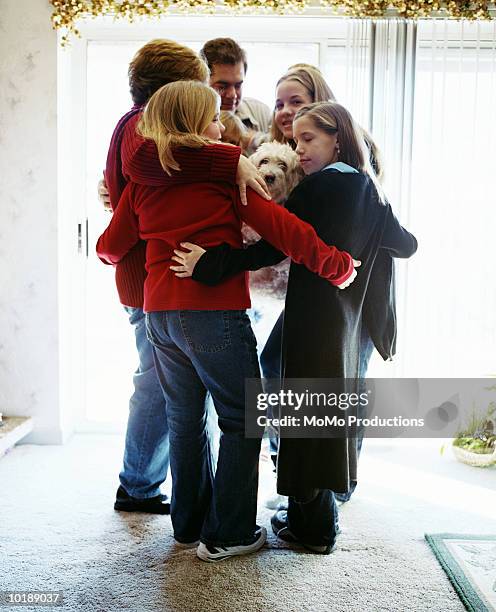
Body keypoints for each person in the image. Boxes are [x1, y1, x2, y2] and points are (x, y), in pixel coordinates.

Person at [96, 81, 359, 561]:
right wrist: (337, 265)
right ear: (198, 127)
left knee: (185, 418)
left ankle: (189, 525)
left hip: (160, 316)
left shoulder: (144, 182)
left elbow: (108, 248)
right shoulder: (222, 176)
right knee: (242, 419)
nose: (222, 126)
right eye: (214, 118)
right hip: (211, 315)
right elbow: (285, 230)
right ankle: (231, 532)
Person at [171, 101, 417, 553]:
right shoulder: (369, 189)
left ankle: (317, 529)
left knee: (302, 418)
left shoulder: (313, 189)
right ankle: (311, 517)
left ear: (337, 139)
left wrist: (211, 263)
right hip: (349, 324)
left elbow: (270, 249)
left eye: (309, 139)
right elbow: (406, 244)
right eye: (295, 140)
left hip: (311, 319)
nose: (298, 149)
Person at [102, 39, 271, 515]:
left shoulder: (139, 125)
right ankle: (138, 487)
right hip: (157, 282)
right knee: (162, 390)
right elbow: (143, 164)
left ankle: (188, 506)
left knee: (181, 402)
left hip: (160, 280)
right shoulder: (139, 125)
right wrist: (228, 158)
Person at [200, 38, 272, 154]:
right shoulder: (190, 122)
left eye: (238, 85)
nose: (232, 94)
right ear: (203, 82)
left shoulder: (261, 113)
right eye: (222, 86)